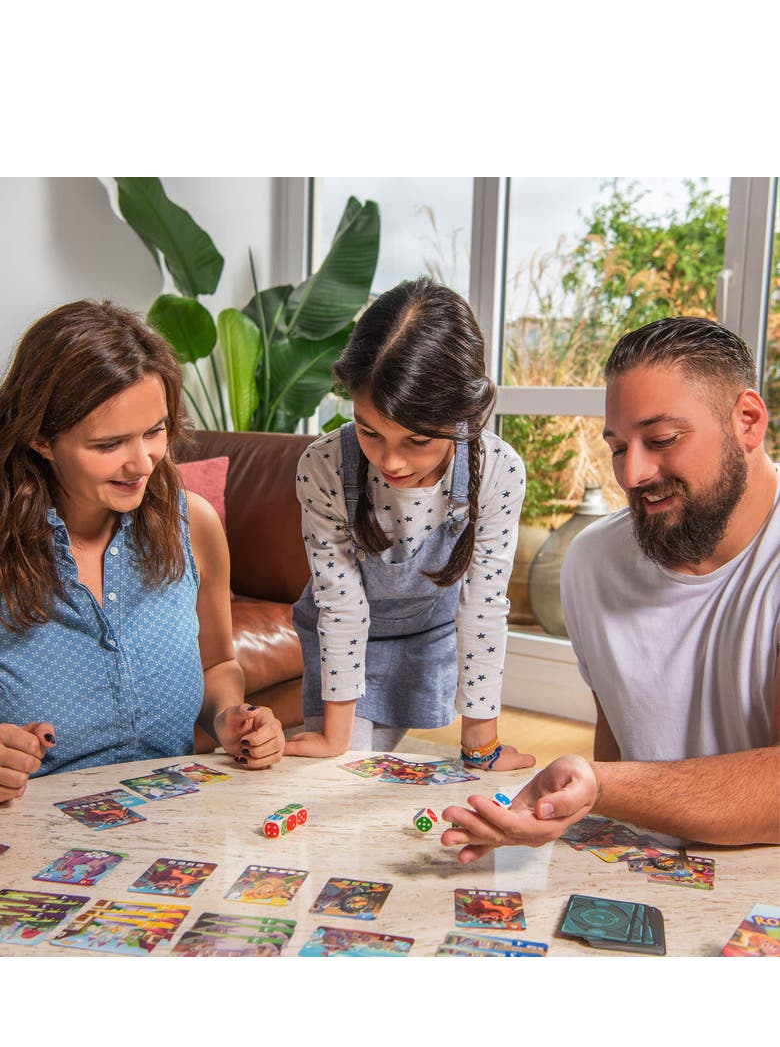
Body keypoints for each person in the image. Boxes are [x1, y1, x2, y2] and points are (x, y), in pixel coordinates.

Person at [442, 316, 780, 858]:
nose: (632, 474)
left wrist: (599, 787)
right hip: (640, 867)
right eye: (619, 447)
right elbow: (618, 748)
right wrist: (571, 810)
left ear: (748, 421)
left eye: (662, 439)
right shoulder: (592, 562)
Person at [0, 299, 284, 803]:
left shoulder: (193, 525)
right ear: (41, 438)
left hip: (171, 817)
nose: (143, 464)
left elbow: (218, 663)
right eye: (109, 444)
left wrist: (230, 718)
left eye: (155, 431)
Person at [285, 277, 535, 770]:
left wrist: (481, 746)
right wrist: (335, 739)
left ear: (463, 413)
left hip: (428, 637)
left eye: (417, 441)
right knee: (337, 771)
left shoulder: (498, 470)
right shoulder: (324, 464)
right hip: (342, 638)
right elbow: (340, 604)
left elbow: (483, 608)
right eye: (370, 432)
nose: (391, 462)